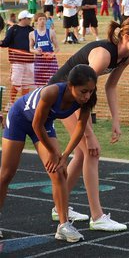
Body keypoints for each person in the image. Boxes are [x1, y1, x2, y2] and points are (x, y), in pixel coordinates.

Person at [48, 17, 129, 231]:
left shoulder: (126, 56)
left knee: (85, 153)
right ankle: (97, 216)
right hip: (61, 98)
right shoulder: (103, 55)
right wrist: (89, 134)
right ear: (126, 37)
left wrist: (116, 120)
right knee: (91, 151)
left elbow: (110, 87)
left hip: (75, 98)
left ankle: (60, 207)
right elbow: (81, 93)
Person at [0, 64, 98, 242]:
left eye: (90, 91)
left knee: (59, 171)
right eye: (83, 91)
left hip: (44, 124)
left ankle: (63, 225)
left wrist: (65, 154)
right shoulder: (51, 93)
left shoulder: (88, 99)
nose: (87, 96)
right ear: (70, 85)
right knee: (6, 174)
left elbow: (80, 128)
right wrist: (53, 152)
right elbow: (36, 125)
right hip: (19, 119)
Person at [0, 10, 35, 109]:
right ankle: (11, 103)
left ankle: (24, 104)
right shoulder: (13, 29)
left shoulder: (31, 29)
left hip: (30, 61)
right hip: (17, 62)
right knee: (16, 83)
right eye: (28, 18)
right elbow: (6, 42)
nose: (30, 20)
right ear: (23, 19)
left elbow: (35, 43)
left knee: (26, 84)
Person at [29, 12, 59, 87]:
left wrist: (52, 54)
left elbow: (57, 48)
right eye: (40, 19)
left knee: (54, 81)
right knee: (39, 83)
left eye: (44, 19)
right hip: (39, 61)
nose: (42, 21)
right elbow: (30, 49)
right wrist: (35, 51)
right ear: (36, 22)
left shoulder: (51, 32)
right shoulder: (32, 34)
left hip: (51, 60)